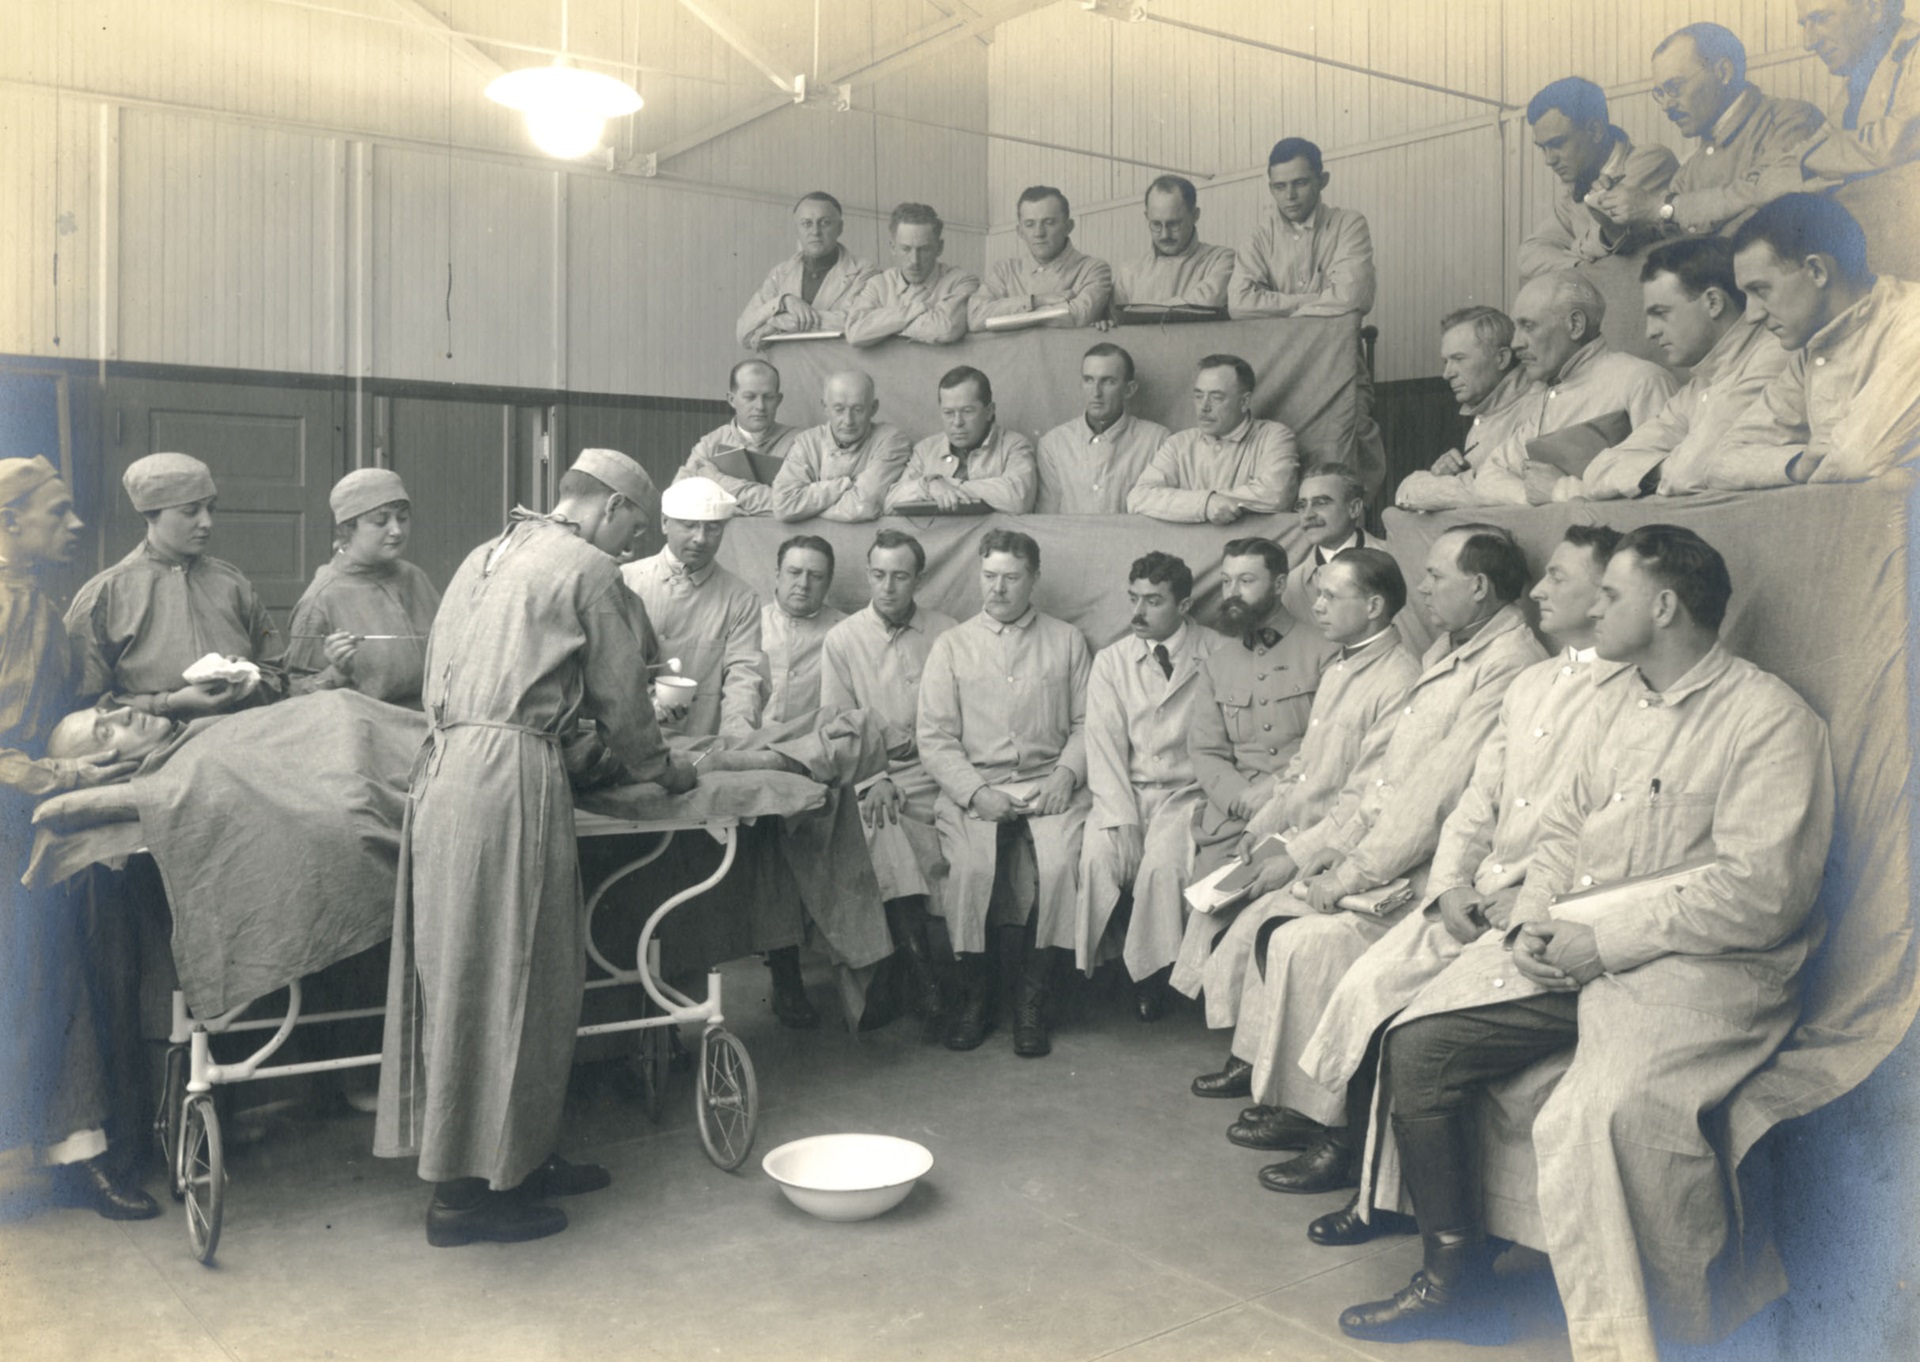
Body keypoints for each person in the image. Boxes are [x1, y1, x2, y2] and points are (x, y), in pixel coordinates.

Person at [1337, 526, 1833, 1361]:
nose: (1592, 608)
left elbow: (1761, 893)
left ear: (1664, 605)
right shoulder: (1614, 704)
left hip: (1709, 970)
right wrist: (1535, 923)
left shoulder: (1769, 720)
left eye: (1610, 595)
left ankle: (1660, 1336)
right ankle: (1457, 1283)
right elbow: (1563, 831)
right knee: (1419, 1044)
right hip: (1580, 948)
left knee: (1593, 1113)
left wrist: (1603, 944)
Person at [1246, 528, 1627, 1232]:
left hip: (1524, 904)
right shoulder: (1532, 679)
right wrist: (1450, 883)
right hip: (1464, 887)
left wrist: (1501, 899)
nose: (1540, 589)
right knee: (1363, 984)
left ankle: (1375, 1190)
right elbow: (1476, 797)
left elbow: (1569, 830)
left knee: (1403, 1021)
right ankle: (1353, 1160)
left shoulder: (1597, 688)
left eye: (1567, 582)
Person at [374, 447, 696, 1248]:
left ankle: (519, 1155)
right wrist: (665, 769)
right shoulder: (589, 568)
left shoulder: (488, 553)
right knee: (511, 977)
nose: (630, 545)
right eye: (635, 529)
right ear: (612, 510)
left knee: (487, 974)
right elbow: (626, 705)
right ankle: (465, 1198)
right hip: (508, 780)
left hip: (445, 769)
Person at [1188, 528, 1544, 1146]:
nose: (1424, 587)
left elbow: (1435, 796)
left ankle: (1324, 1126)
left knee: (1305, 942)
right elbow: (1380, 781)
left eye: (1436, 576)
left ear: (1480, 587)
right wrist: (1336, 848)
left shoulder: (1509, 665)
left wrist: (1348, 870)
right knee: (1279, 921)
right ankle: (1281, 1094)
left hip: (1427, 868)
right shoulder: (1446, 650)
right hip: (1382, 847)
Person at [1183, 548, 1417, 1109]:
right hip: (1304, 827)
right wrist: (1265, 825)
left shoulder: (1398, 679)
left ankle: (1267, 1076)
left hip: (1338, 845)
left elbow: (1365, 794)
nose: (1317, 604)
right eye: (1319, 592)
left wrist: (1296, 853)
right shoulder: (1342, 664)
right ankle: (1251, 1058)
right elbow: (1304, 768)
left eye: (1333, 595)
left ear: (1375, 605)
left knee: (1261, 923)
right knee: (1217, 905)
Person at [0, 457, 155, 1222]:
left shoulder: (38, 603)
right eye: (56, 513)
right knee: (31, 987)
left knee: (58, 990)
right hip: (12, 821)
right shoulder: (8, 610)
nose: (76, 525)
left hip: (31, 821)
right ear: (8, 526)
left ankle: (75, 1155)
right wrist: (59, 775)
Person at [918, 529, 1092, 1058]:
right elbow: (935, 736)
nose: (998, 588)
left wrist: (1066, 774)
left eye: (1011, 578)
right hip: (979, 785)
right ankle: (976, 996)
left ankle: (1032, 1000)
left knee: (1061, 867)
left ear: (1033, 579)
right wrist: (973, 793)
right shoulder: (951, 645)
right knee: (971, 873)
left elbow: (1089, 723)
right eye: (989, 576)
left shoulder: (1066, 640)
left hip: (1050, 785)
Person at [1168, 538, 1337, 1019]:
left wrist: (1275, 791)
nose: (1232, 592)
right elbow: (1204, 748)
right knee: (1210, 896)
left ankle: (1260, 1028)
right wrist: (1240, 797)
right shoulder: (1218, 661)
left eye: (1247, 580)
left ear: (1280, 584)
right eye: (1226, 581)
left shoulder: (1324, 650)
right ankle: (1229, 1018)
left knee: (1274, 909)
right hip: (1233, 814)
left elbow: (1327, 746)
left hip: (1302, 810)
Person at [1678, 192, 1920, 487]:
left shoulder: (1913, 321)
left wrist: (1783, 461)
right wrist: (1798, 465)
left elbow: (1853, 458)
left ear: (1817, 271)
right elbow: (1719, 462)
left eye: (1760, 290)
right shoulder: (1810, 353)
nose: (1752, 315)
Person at [820, 530, 959, 1034]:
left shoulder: (947, 632)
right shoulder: (843, 639)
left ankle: (944, 974)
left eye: (900, 576)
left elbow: (964, 717)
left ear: (918, 578)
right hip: (871, 771)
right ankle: (925, 979)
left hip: (939, 767)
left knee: (965, 834)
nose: (888, 587)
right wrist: (875, 774)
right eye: (878, 575)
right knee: (879, 826)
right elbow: (838, 724)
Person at [1072, 552, 1212, 1022]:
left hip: (1187, 794)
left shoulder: (1213, 653)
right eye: (1133, 598)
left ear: (1185, 605)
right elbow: (1103, 747)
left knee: (1163, 869)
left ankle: (1151, 978)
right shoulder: (1112, 661)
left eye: (1153, 601)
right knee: (1097, 860)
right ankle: (1096, 973)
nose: (1138, 612)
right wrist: (1123, 820)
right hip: (1125, 790)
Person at [1559, 237, 1789, 500]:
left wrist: (1650, 471)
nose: (1650, 332)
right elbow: (1598, 472)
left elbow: (1689, 473)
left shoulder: (1773, 357)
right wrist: (1669, 468)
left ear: (1713, 302)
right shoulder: (1698, 386)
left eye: (1661, 313)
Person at [1429, 271, 1677, 508]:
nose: (1516, 343)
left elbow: (1662, 490)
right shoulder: (1547, 397)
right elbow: (1489, 476)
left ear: (1575, 324)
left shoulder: (1641, 381)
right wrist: (1541, 495)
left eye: (1529, 326)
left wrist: (1559, 492)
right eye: (1516, 328)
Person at [66, 452, 285, 715]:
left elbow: (276, 673)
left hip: (240, 735)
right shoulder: (105, 595)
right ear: (150, 514)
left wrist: (247, 680)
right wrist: (169, 703)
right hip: (154, 748)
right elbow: (82, 710)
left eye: (210, 509)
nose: (206, 522)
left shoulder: (232, 583)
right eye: (190, 511)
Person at [1229, 137, 1387, 495]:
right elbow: (1239, 304)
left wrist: (1280, 308)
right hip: (1279, 373)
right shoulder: (1257, 237)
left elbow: (1353, 296)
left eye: (1300, 183)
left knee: (1342, 471)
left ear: (1322, 180)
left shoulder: (1349, 225)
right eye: (1280, 187)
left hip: (1339, 370)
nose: (1290, 196)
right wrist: (1314, 300)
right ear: (1270, 187)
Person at [1591, 24, 1825, 237]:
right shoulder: (1691, 169)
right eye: (1660, 94)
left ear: (1723, 72)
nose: (1666, 105)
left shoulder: (1791, 119)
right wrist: (1613, 216)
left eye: (1674, 87)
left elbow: (1766, 199)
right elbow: (1664, 241)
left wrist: (1662, 207)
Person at [621, 476, 769, 746]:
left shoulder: (740, 598)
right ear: (665, 523)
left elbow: (744, 681)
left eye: (713, 528)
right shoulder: (626, 581)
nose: (700, 539)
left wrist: (734, 748)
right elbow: (606, 668)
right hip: (629, 742)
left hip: (700, 746)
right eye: (689, 526)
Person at [286, 468, 441, 706]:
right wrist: (336, 673)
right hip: (365, 731)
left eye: (402, 517)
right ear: (348, 528)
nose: (397, 530)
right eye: (381, 521)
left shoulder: (414, 577)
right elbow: (292, 694)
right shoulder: (321, 599)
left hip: (430, 723)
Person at [1518, 78, 1679, 279]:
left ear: (1595, 131)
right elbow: (1529, 254)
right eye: (1543, 148)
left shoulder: (1652, 161)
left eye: (1557, 144)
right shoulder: (1574, 192)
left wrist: (1574, 249)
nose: (1549, 160)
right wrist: (1580, 266)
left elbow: (1610, 233)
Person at [1394, 308, 1542, 512]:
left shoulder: (1537, 408)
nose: (1447, 374)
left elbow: (1516, 494)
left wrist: (1426, 487)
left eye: (1459, 359)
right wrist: (1444, 476)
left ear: (1501, 359)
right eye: (1446, 362)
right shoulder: (1484, 413)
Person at [1127, 354, 1300, 523]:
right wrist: (1206, 503)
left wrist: (1191, 504)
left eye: (1216, 397)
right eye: (1198, 396)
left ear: (1244, 402)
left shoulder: (1274, 436)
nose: (1204, 407)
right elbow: (1138, 497)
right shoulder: (1178, 443)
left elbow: (1277, 495)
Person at [1033, 343, 1169, 514]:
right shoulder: (1053, 443)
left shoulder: (1157, 441)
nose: (1096, 392)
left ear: (1129, 389)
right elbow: (1047, 517)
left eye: (1108, 381)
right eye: (1089, 380)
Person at [1793, 0, 1920, 182]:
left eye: (1821, 19)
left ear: (1875, 8)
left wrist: (1805, 158)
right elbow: (1821, 140)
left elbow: (1891, 143)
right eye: (1804, 25)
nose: (1809, 42)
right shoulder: (1859, 79)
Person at [885, 366, 1038, 514]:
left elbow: (1019, 499)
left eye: (967, 411)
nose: (957, 422)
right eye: (948, 413)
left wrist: (946, 485)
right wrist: (929, 486)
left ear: (989, 411)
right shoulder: (925, 449)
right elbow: (891, 503)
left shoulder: (1015, 445)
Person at [736, 191, 878, 349]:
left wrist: (777, 324)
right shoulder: (780, 273)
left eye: (825, 223)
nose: (815, 231)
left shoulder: (864, 271)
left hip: (840, 368)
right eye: (807, 223)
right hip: (785, 368)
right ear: (797, 229)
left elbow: (854, 322)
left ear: (840, 228)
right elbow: (744, 332)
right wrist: (783, 302)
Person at [770, 369, 912, 522]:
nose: (848, 420)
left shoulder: (891, 440)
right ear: (825, 407)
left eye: (858, 410)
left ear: (874, 408)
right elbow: (783, 506)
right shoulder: (807, 441)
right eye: (839, 409)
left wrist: (808, 510)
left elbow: (861, 507)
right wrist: (847, 483)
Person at [967, 186, 1112, 330]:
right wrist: (1036, 300)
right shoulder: (1004, 271)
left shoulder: (1094, 269)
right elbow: (975, 317)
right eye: (1030, 224)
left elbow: (1078, 316)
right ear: (1020, 231)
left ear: (1068, 226)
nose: (1038, 233)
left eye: (1048, 223)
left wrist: (1003, 315)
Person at [675, 360, 800, 516]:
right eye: (750, 397)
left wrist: (717, 481)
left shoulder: (801, 443)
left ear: (779, 400)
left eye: (768, 397)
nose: (760, 406)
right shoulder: (710, 444)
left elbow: (790, 503)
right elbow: (678, 497)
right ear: (731, 399)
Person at [844, 203, 980, 347]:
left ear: (939, 247)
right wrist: (919, 309)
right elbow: (855, 332)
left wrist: (883, 328)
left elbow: (946, 330)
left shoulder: (962, 281)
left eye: (924, 249)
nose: (914, 260)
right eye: (906, 249)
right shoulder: (878, 284)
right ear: (893, 248)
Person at [1108, 174, 1236, 315]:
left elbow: (1205, 303)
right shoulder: (1128, 273)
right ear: (1147, 217)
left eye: (1173, 224)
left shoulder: (1221, 260)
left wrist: (1133, 312)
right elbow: (1115, 322)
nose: (1164, 235)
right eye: (1156, 224)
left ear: (1195, 215)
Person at [760, 535, 847, 725]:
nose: (804, 584)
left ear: (828, 582)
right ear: (777, 575)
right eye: (794, 572)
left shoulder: (847, 632)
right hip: (751, 742)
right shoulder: (748, 625)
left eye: (815, 576)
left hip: (816, 746)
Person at [1280, 464, 1371, 625]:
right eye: (1302, 505)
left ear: (1354, 508)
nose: (1307, 515)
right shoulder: (1292, 585)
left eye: (1320, 503)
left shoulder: (1396, 559)